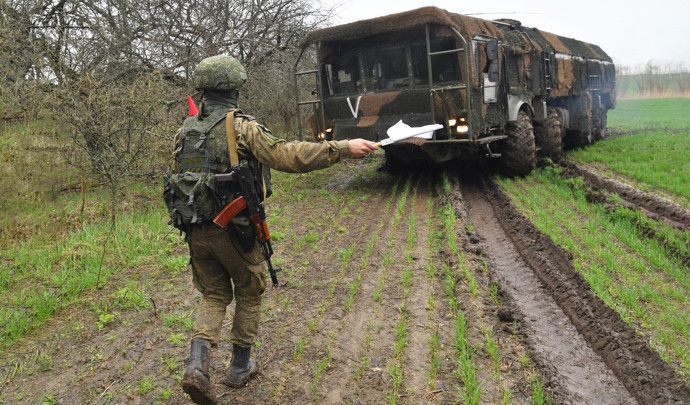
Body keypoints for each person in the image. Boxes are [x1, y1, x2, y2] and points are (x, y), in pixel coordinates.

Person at [164, 55, 378, 405]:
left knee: (214, 295)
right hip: (234, 228)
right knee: (250, 289)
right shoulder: (242, 127)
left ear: (203, 90)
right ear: (235, 88)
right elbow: (288, 156)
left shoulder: (185, 130)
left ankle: (197, 367)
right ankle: (239, 368)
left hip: (194, 229)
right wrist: (341, 148)